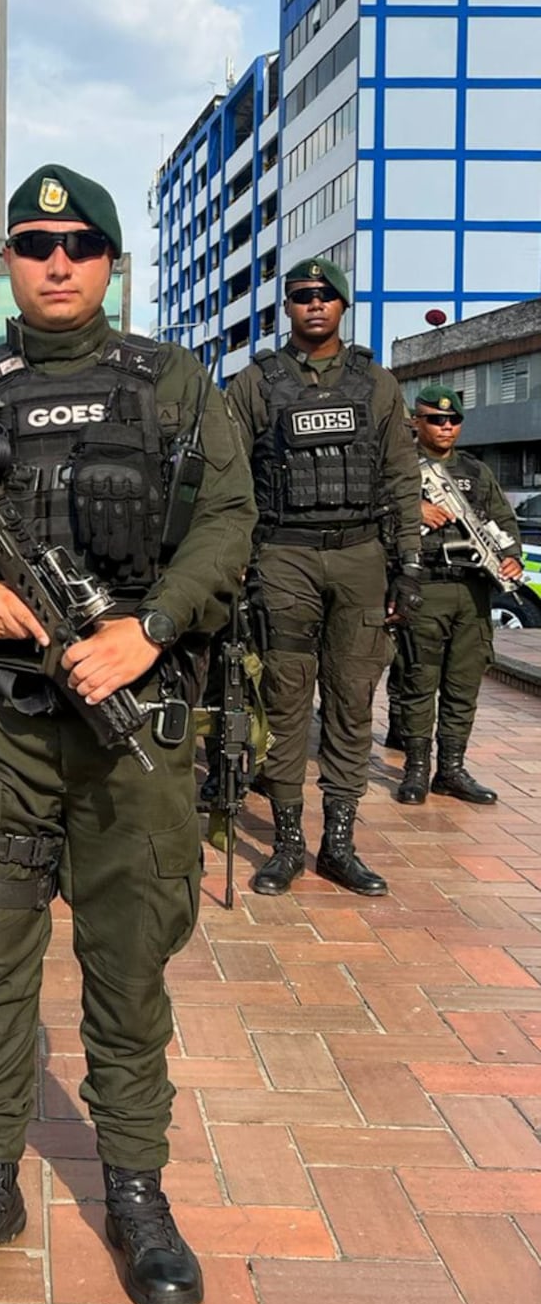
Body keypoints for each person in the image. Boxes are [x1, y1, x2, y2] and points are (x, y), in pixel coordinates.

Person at [0, 163, 256, 1304]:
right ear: (9, 262)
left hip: (132, 727)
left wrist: (150, 627)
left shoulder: (170, 384)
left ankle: (134, 1191)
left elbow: (228, 521)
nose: (56, 262)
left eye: (78, 245)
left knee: (127, 970)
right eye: (33, 245)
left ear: (109, 261)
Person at [227, 257, 422, 898]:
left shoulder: (377, 384)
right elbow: (230, 479)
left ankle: (339, 843)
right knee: (284, 700)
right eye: (301, 296)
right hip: (284, 556)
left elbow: (401, 479)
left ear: (342, 305)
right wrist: (236, 560)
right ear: (287, 308)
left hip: (364, 555)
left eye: (325, 295)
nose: (313, 305)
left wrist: (409, 568)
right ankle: (287, 843)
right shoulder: (256, 384)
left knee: (351, 699)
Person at [395, 384, 522, 805]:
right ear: (417, 421)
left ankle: (451, 769)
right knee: (418, 680)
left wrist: (511, 558)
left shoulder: (476, 471)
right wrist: (413, 509)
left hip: (473, 591)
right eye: (435, 419)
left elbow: (503, 520)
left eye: (452, 420)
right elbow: (374, 507)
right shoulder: (400, 468)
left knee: (463, 684)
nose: (445, 426)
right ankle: (416, 770)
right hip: (426, 585)